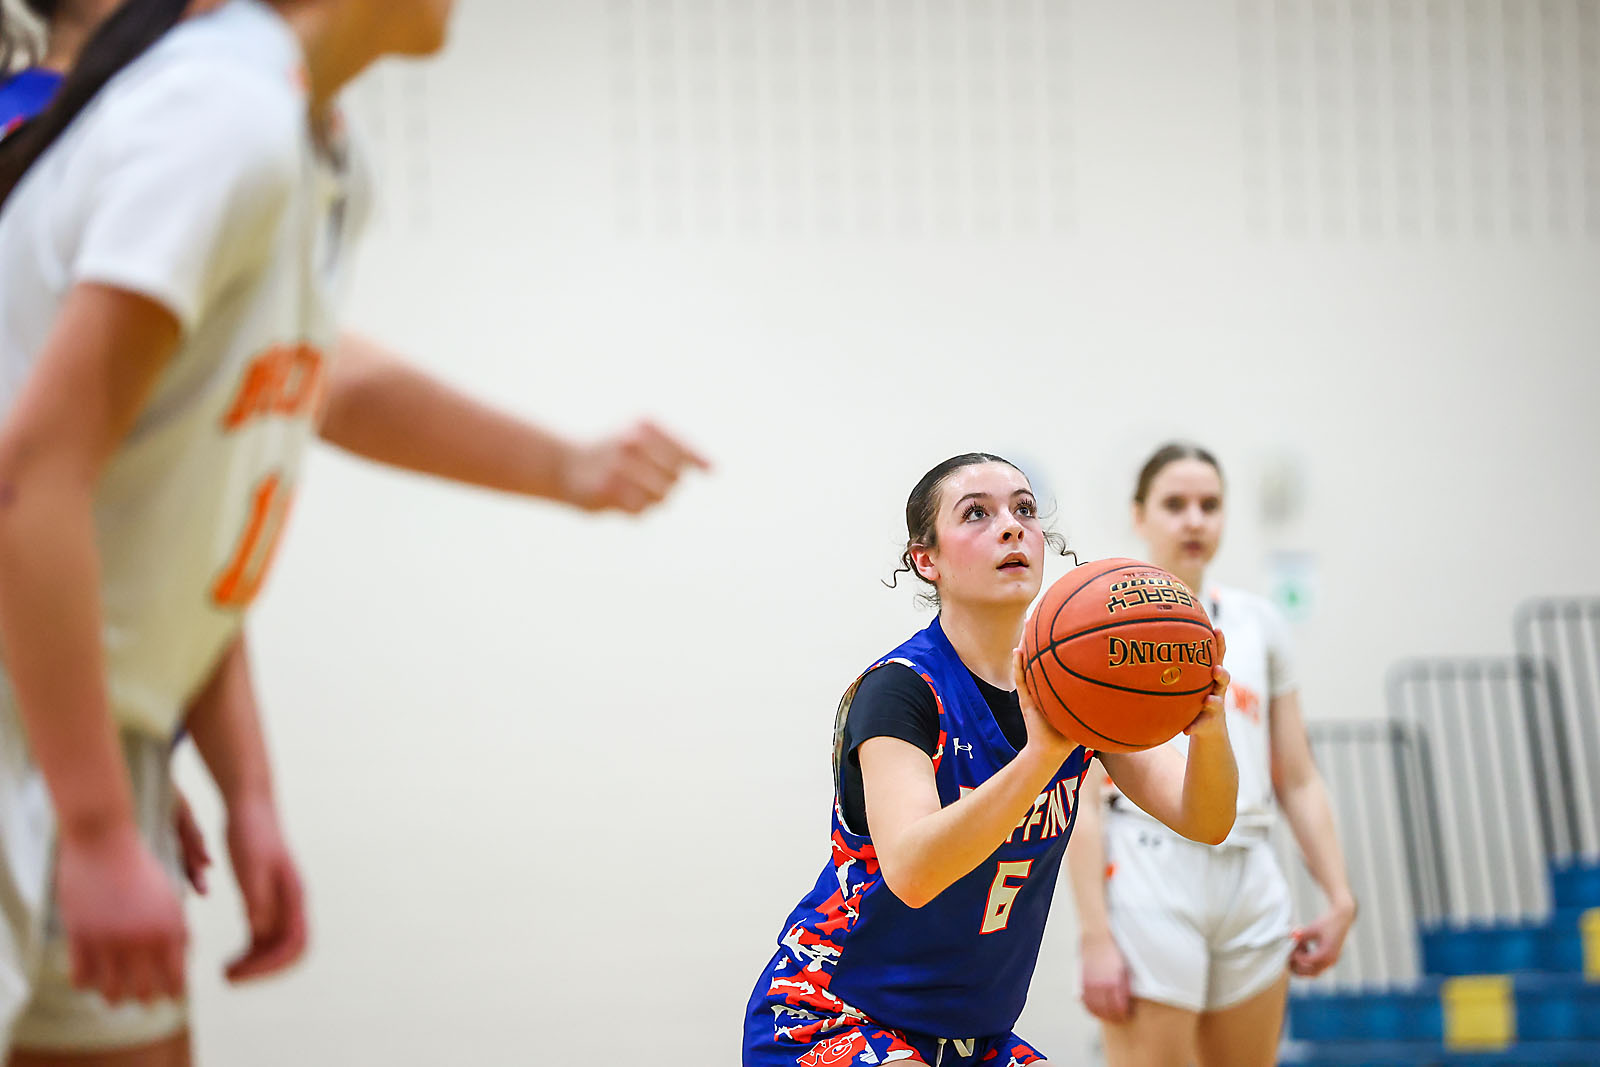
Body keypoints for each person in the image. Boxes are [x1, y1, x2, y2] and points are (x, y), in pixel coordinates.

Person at [0, 1, 704, 1062]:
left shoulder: (305, 140)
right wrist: (97, 818)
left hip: (87, 724)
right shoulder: (214, 112)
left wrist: (241, 788)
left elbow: (176, 504)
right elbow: (30, 482)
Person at [742, 453, 1239, 1067]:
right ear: (926, 561)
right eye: (977, 513)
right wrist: (1041, 756)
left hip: (973, 1035)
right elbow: (914, 873)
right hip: (833, 1011)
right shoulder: (901, 689)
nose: (1011, 527)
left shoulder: (1078, 684)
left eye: (1024, 510)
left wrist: (1209, 727)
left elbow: (1206, 819)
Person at [1064, 442, 1357, 1067]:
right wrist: (1094, 936)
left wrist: (1339, 894)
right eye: (1175, 505)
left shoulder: (1259, 624)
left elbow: (1297, 778)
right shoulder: (1096, 629)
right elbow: (1080, 801)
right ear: (1139, 515)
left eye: (1210, 505)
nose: (1194, 520)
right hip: (1149, 863)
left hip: (1249, 865)